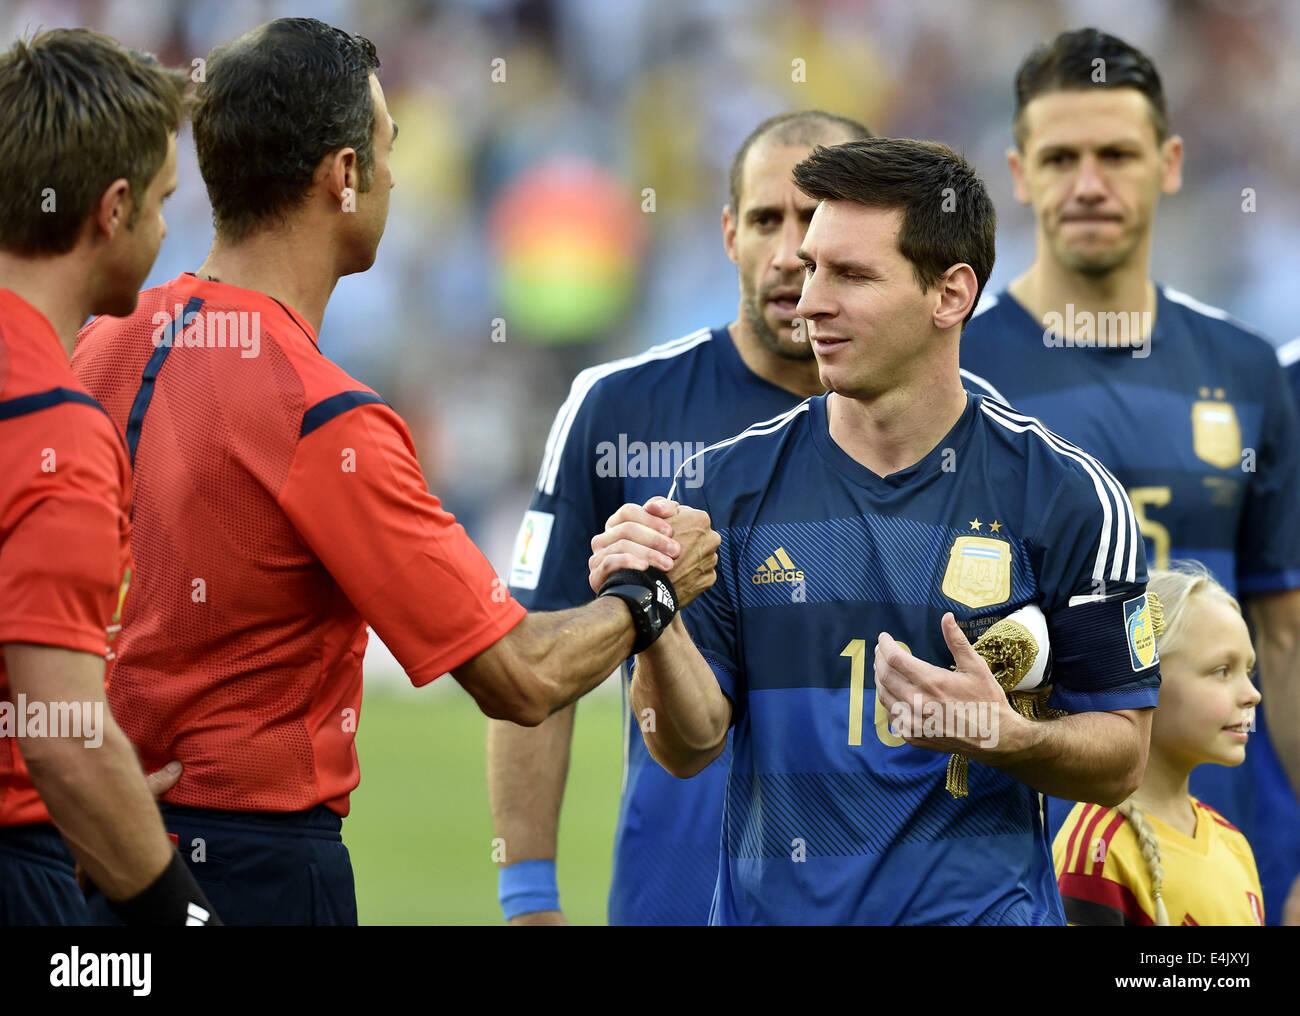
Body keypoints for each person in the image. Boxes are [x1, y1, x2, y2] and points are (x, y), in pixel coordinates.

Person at [70, 17, 716, 926]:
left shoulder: (90, 347)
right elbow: (519, 677)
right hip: (252, 870)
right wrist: (652, 596)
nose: (397, 177)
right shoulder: (323, 415)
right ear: (343, 176)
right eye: (386, 149)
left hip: (80, 847)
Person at [588, 137, 1161, 925]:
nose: (809, 299)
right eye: (814, 267)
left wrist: (1004, 737)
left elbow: (1123, 756)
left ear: (950, 295)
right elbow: (688, 746)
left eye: (851, 275)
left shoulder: (1066, 496)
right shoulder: (722, 489)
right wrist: (649, 614)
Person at [489, 110, 872, 926]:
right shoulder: (619, 407)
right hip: (674, 897)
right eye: (766, 219)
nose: (787, 252)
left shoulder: (949, 430)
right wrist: (527, 900)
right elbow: (534, 663)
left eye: (815, 220)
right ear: (729, 232)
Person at [959, 27, 1300, 924]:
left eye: (1117, 153)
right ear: (1020, 173)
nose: (1088, 183)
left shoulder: (1244, 368)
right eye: (1061, 156)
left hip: (1215, 844)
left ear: (1171, 162)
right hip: (1013, 853)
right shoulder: (956, 373)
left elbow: (1288, 640)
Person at [0, 28, 218, 926]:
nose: (170, 231)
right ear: (113, 208)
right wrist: (183, 913)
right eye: (165, 202)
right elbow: (62, 740)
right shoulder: (52, 424)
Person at [1054, 562, 1264, 926]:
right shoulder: (1098, 849)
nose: (1253, 695)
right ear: (1145, 680)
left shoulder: (1234, 845)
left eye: (1248, 670)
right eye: (1221, 671)